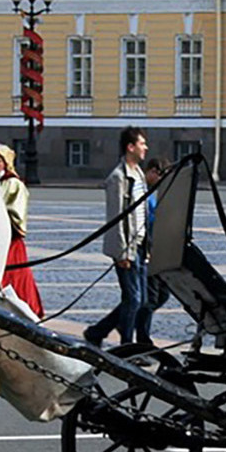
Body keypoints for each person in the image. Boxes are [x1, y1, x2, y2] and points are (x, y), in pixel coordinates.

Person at [84, 126, 149, 348]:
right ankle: (126, 347)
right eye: (142, 143)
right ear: (130, 147)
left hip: (140, 244)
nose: (145, 147)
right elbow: (116, 218)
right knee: (134, 299)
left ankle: (97, 332)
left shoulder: (138, 173)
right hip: (127, 247)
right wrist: (122, 252)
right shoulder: (118, 178)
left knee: (140, 300)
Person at [0, 144, 44, 318]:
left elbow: (15, 212)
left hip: (9, 239)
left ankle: (24, 310)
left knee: (13, 275)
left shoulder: (13, 184)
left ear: (6, 164)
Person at [135, 156, 172, 346]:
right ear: (152, 172)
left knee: (161, 295)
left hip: (157, 249)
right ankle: (143, 339)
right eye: (160, 176)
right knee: (148, 299)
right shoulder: (141, 191)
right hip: (146, 251)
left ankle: (111, 323)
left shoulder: (152, 192)